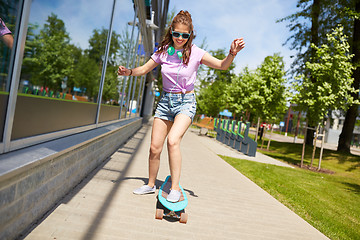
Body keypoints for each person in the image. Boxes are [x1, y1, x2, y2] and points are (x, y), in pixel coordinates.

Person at [118, 10, 245, 202]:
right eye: (177, 34)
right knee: (154, 148)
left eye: (185, 35)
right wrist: (128, 72)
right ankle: (151, 185)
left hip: (186, 103)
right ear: (171, 31)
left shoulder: (196, 52)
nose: (180, 38)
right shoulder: (163, 52)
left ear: (190, 34)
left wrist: (231, 54)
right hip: (165, 103)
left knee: (173, 141)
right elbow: (143, 69)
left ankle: (175, 188)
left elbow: (222, 65)